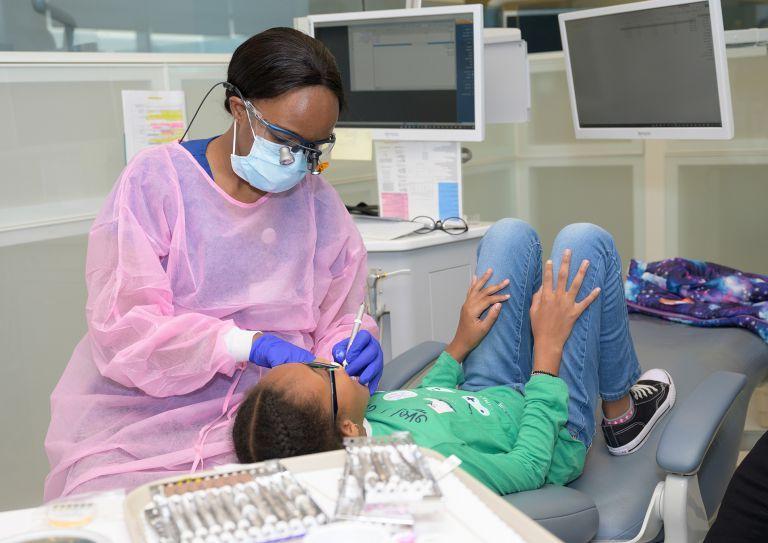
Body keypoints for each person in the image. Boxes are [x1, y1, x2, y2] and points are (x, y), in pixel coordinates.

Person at [44, 28, 384, 500]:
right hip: (144, 425)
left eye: (315, 149)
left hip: (270, 425)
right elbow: (125, 328)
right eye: (287, 140)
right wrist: (242, 344)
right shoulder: (157, 183)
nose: (300, 164)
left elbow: (339, 309)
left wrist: (353, 337)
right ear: (239, 108)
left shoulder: (316, 202)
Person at [233, 220, 676, 494]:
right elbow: (527, 467)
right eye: (322, 373)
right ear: (346, 430)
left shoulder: (365, 416)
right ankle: (621, 414)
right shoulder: (427, 464)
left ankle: (582, 379)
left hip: (485, 391)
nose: (325, 360)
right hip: (552, 428)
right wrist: (547, 353)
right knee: (585, 242)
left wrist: (459, 343)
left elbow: (429, 405)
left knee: (508, 237)